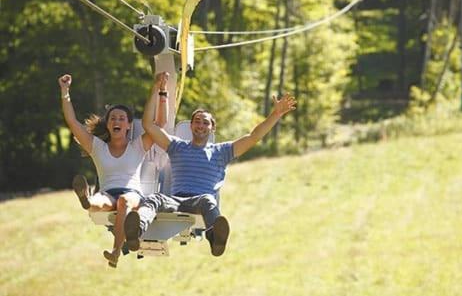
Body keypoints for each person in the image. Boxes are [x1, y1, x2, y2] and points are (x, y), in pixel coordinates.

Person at [124, 73, 297, 257]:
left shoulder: (221, 152)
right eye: (197, 122)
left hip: (200, 202)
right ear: (190, 126)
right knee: (154, 199)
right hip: (174, 200)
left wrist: (276, 114)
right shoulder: (176, 146)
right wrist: (157, 89)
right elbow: (148, 126)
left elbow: (253, 137)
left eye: (205, 122)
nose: (200, 125)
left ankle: (215, 238)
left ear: (212, 128)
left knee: (208, 199)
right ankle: (136, 232)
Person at [58, 72, 169, 267]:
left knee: (124, 201)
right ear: (108, 125)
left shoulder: (137, 145)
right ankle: (86, 200)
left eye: (121, 119)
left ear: (128, 125)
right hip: (108, 193)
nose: (116, 121)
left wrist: (160, 89)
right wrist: (65, 91)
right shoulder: (97, 146)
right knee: (98, 202)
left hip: (132, 194)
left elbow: (159, 124)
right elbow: (73, 123)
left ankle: (115, 250)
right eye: (113, 119)